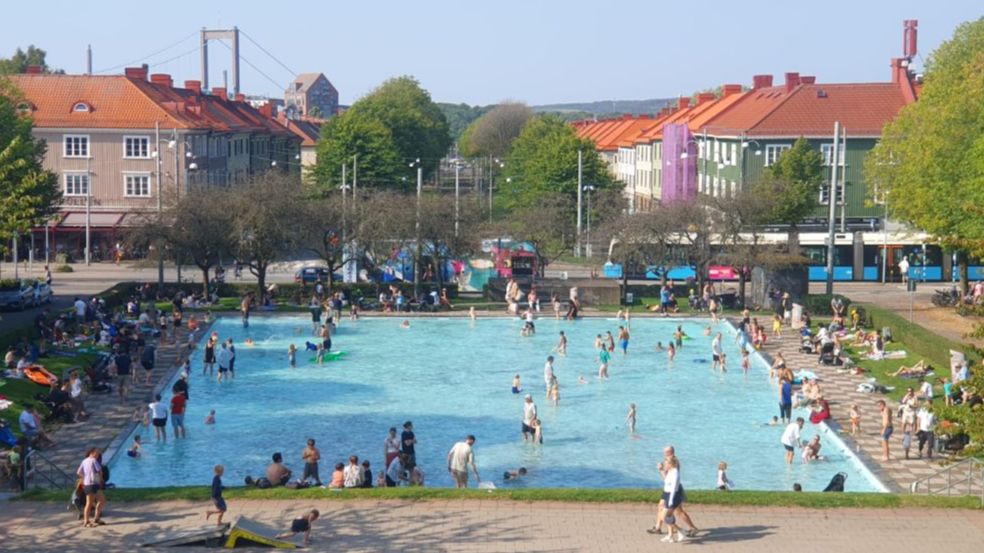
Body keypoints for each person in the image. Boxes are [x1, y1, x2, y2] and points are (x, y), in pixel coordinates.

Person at [77, 448, 106, 528]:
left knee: (102, 500)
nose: (97, 455)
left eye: (98, 454)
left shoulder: (84, 461)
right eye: (96, 453)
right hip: (92, 485)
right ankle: (86, 521)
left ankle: (96, 518)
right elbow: (100, 471)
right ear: (91, 453)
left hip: (90, 484)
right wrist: (101, 480)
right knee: (89, 504)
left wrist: (85, 478)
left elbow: (78, 472)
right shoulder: (93, 460)